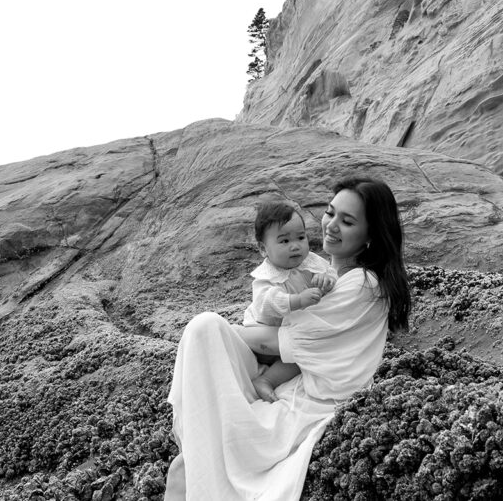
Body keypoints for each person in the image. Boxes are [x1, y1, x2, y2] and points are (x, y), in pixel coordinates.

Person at [164, 176, 411, 500]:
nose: (331, 225)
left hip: (309, 404)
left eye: (347, 221)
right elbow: (274, 317)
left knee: (203, 330)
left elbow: (274, 342)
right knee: (204, 331)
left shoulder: (363, 284)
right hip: (284, 383)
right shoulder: (326, 273)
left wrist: (236, 333)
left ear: (371, 236)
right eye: (330, 212)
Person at [243, 201, 337, 403]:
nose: (295, 246)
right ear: (263, 249)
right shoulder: (266, 277)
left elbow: (330, 272)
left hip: (290, 331)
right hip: (263, 334)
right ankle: (263, 378)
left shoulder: (311, 262)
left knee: (300, 355)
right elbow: (267, 303)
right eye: (284, 241)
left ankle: (266, 379)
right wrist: (297, 300)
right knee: (297, 348)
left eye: (301, 237)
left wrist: (327, 281)